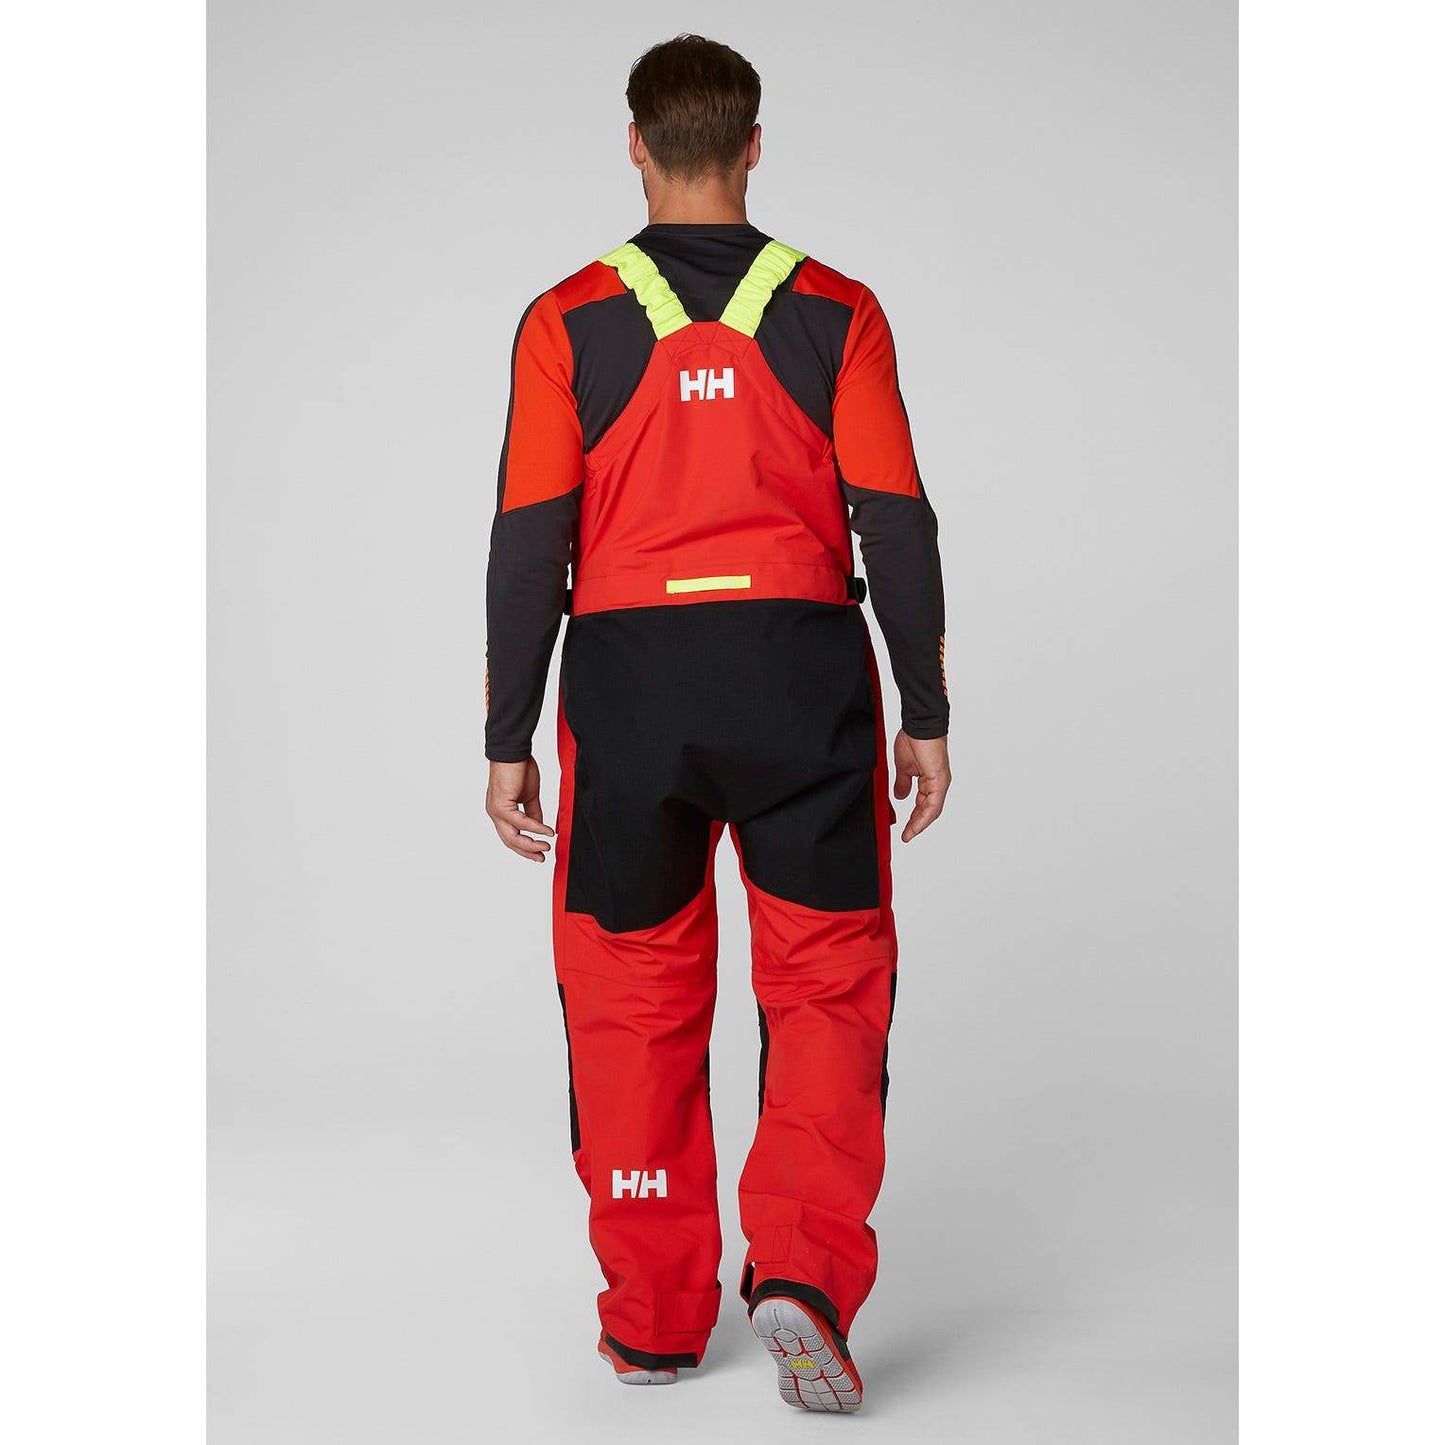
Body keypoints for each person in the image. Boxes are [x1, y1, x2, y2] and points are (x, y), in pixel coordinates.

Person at [484, 34, 950, 1414]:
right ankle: (801, 1269)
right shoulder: (839, 311)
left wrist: (507, 732)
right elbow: (897, 521)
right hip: (800, 674)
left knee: (627, 990)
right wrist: (924, 708)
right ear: (753, 146)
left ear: (635, 145)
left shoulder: (565, 318)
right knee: (826, 979)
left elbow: (529, 539)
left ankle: (652, 1319)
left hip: (629, 687)